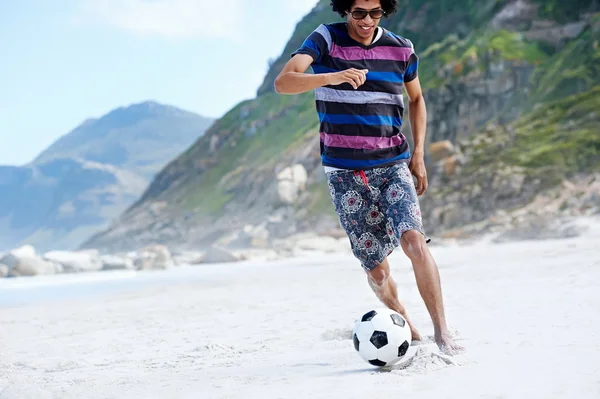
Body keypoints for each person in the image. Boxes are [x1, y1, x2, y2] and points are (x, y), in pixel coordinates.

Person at [273, 0, 464, 354]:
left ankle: (443, 334)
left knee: (414, 242)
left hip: (393, 163)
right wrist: (334, 76)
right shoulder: (325, 40)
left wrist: (419, 155)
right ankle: (407, 324)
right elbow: (284, 82)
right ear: (345, 9)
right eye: (358, 12)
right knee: (376, 271)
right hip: (344, 172)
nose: (366, 20)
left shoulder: (401, 48)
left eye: (375, 12)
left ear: (385, 12)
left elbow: (417, 98)